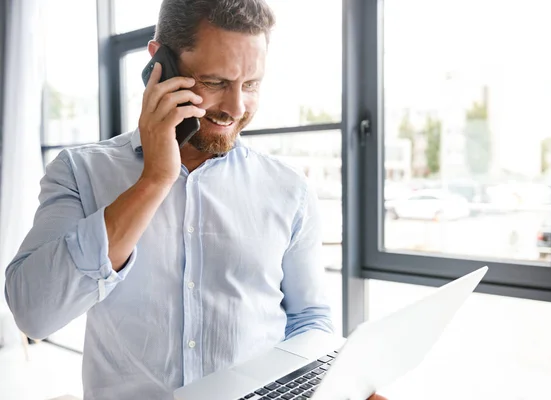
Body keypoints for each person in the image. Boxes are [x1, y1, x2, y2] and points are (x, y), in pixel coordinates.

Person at [4, 1, 387, 399]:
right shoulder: (80, 173)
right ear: (160, 66)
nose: (236, 108)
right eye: (216, 82)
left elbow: (308, 318)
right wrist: (153, 181)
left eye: (251, 84)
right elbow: (34, 314)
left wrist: (342, 385)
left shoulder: (289, 190)